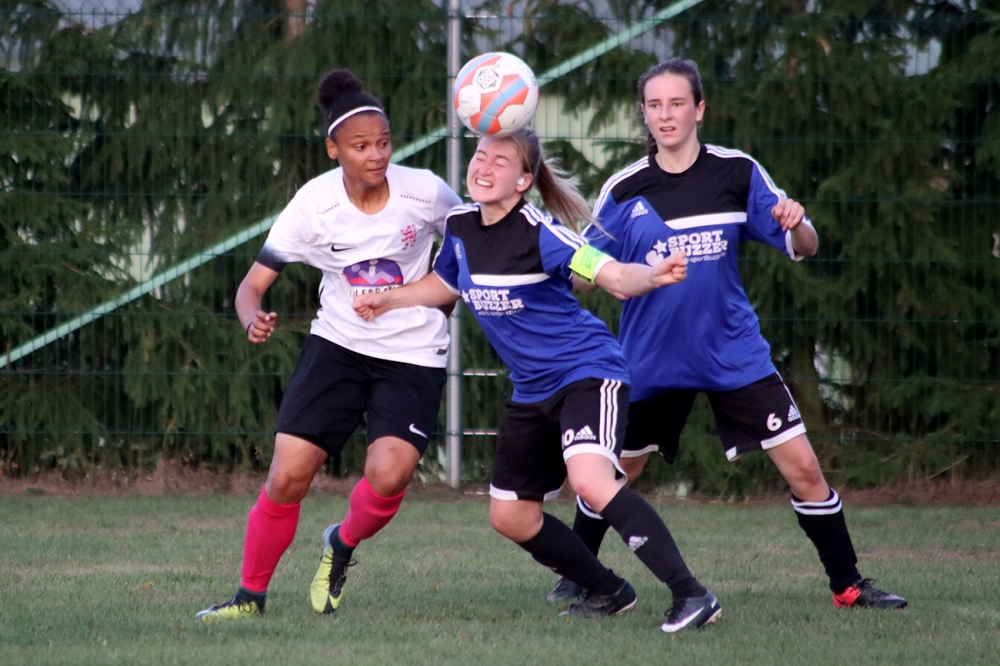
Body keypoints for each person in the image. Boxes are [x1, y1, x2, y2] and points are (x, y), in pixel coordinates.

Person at [548, 58, 907, 611]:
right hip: (651, 357)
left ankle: (849, 586)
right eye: (654, 105)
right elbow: (587, 271)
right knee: (616, 472)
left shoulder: (737, 172)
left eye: (676, 103)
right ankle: (578, 576)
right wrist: (568, 265)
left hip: (733, 353)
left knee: (804, 467)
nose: (665, 115)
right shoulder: (623, 190)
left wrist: (797, 223)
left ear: (699, 109)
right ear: (643, 114)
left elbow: (805, 246)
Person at [354, 127, 722, 633]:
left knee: (591, 482)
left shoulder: (542, 232)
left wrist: (651, 275)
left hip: (586, 373)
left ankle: (692, 595)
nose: (483, 167)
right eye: (480, 156)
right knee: (510, 516)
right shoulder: (459, 227)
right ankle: (608, 590)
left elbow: (611, 274)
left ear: (524, 180)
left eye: (500, 162)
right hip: (531, 390)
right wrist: (388, 298)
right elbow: (445, 283)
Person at [195, 69, 462, 621]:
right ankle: (248, 599)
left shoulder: (424, 191)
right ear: (333, 150)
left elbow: (472, 240)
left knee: (389, 474)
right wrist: (251, 320)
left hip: (412, 353)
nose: (376, 155)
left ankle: (341, 543)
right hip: (338, 345)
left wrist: (445, 292)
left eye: (383, 142)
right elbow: (251, 286)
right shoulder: (313, 205)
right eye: (361, 146)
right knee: (287, 475)